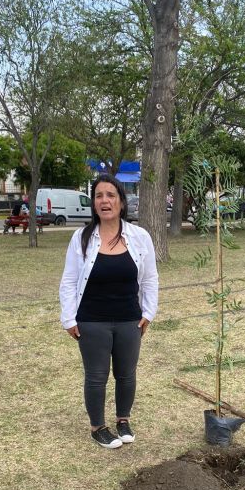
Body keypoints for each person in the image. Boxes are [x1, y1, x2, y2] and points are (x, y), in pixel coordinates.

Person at [59, 175, 159, 449]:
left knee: (127, 373)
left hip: (129, 318)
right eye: (99, 195)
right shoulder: (81, 238)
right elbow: (68, 280)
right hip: (92, 320)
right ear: (93, 203)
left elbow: (150, 279)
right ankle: (98, 427)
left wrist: (148, 313)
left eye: (111, 195)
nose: (105, 201)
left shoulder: (140, 237)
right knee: (96, 376)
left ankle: (123, 420)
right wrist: (69, 318)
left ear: (122, 202)